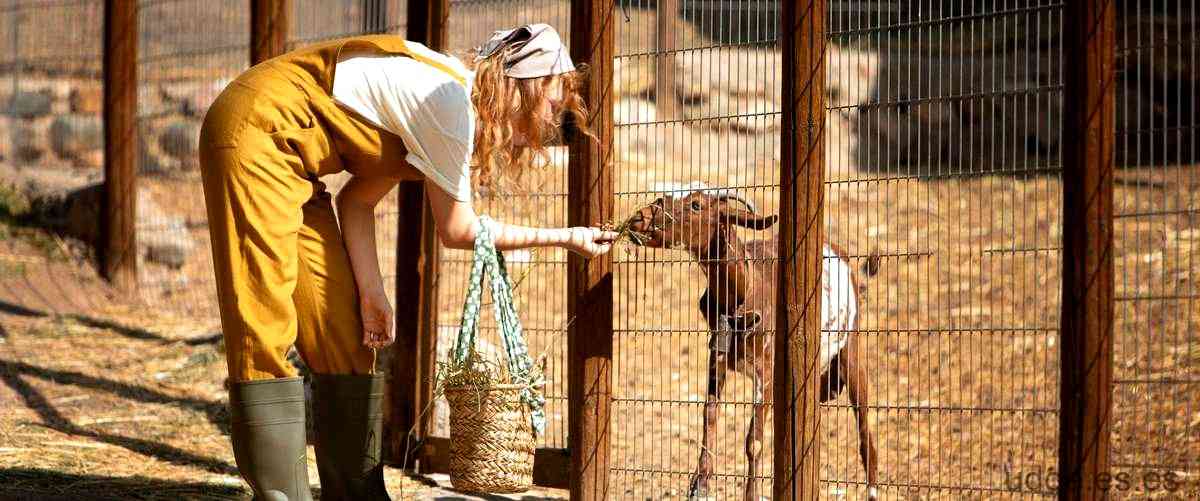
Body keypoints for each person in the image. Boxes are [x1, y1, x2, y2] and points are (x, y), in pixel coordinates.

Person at [198, 24, 616, 501]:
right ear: (525, 88)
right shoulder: (451, 105)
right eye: (552, 104)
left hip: (298, 165)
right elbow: (458, 230)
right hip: (255, 135)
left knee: (344, 334)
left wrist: (372, 294)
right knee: (264, 325)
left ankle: (358, 496)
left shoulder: (453, 104)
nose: (553, 123)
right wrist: (565, 238)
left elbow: (356, 201)